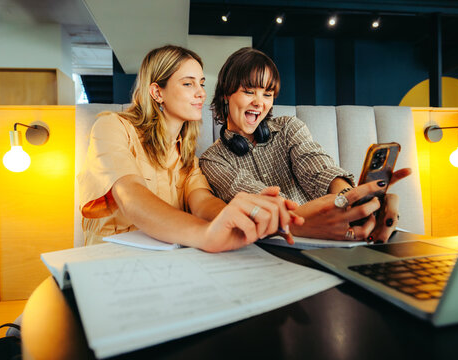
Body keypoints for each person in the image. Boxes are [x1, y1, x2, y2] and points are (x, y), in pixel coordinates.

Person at [77, 45, 302, 253]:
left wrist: (239, 215)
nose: (201, 93)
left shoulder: (188, 159)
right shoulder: (111, 127)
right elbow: (130, 196)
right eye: (188, 83)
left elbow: (203, 202)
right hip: (109, 261)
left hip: (167, 266)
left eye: (201, 83)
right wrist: (204, 234)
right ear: (157, 92)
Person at [199, 47, 411, 243]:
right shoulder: (213, 160)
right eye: (249, 91)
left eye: (268, 94)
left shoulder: (289, 128)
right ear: (226, 93)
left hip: (336, 237)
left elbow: (320, 170)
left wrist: (353, 201)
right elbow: (262, 205)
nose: (259, 102)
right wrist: (317, 219)